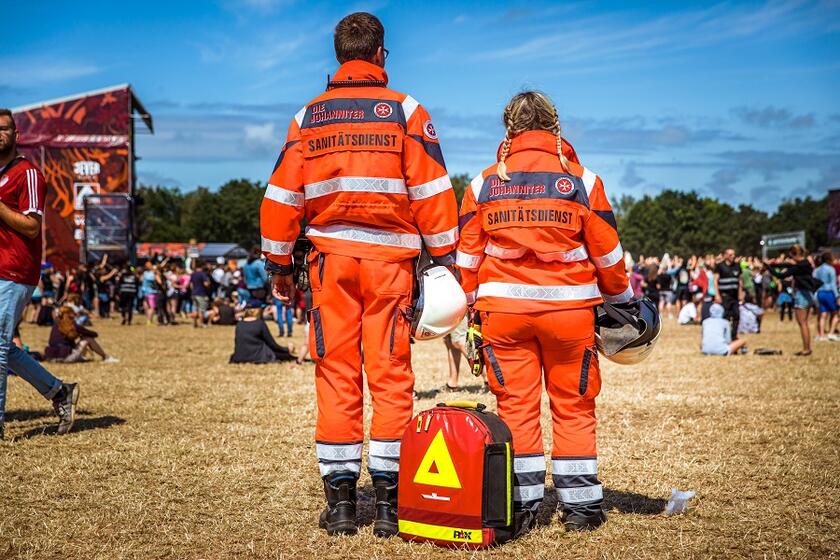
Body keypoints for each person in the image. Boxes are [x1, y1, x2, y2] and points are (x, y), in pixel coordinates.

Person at [260, 12, 458, 538]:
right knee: (392, 376)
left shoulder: (309, 117)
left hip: (330, 267)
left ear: (338, 56)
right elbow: (433, 193)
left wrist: (279, 265)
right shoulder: (406, 112)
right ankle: (391, 506)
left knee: (335, 373)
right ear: (381, 54)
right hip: (391, 265)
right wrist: (444, 261)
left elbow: (281, 197)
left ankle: (343, 503)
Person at [456, 91, 633, 533]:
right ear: (555, 127)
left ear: (509, 129)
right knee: (573, 406)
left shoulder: (482, 185)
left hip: (504, 314)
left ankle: (521, 509)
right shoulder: (583, 182)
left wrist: (470, 309)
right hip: (570, 313)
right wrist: (621, 300)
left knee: (515, 407)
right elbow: (609, 256)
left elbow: (466, 259)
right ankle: (581, 510)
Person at [0, 108, 79, 438]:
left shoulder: (28, 174)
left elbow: (32, 227)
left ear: (17, 135)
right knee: (5, 346)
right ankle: (59, 391)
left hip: (15, 270)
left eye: (3, 129)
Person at [766, 245, 815, 356]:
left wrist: (768, 268)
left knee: (802, 323)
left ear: (794, 254)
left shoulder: (800, 266)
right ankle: (806, 348)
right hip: (806, 294)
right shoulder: (804, 263)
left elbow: (781, 275)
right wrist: (771, 264)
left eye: (790, 255)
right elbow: (787, 265)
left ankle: (806, 349)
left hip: (802, 295)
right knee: (804, 323)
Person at [45, 306, 118, 363]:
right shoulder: (72, 325)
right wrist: (81, 335)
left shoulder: (56, 324)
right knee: (88, 339)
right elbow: (93, 334)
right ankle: (106, 357)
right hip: (66, 357)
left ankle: (82, 357)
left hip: (51, 357)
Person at [229, 304, 296, 364]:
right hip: (258, 356)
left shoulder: (239, 324)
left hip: (240, 357)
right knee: (285, 356)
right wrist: (286, 350)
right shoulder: (259, 324)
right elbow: (272, 344)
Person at [714, 248, 743, 339]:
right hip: (724, 296)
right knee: (726, 316)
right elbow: (715, 280)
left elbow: (740, 281)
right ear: (725, 256)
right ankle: (725, 335)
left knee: (736, 315)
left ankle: (734, 335)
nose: (733, 256)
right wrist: (717, 294)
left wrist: (741, 293)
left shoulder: (737, 266)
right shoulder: (720, 266)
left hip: (734, 296)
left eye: (734, 254)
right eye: (730, 255)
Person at [813, 251, 839, 341]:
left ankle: (821, 335)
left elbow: (814, 282)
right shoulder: (831, 269)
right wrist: (837, 296)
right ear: (828, 259)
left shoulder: (817, 270)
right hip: (829, 293)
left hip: (819, 293)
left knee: (823, 315)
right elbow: (833, 284)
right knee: (836, 314)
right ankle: (831, 333)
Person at [190, 263, 211, 328]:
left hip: (194, 293)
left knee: (195, 309)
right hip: (201, 294)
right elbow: (206, 284)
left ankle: (194, 323)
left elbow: (191, 284)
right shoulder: (202, 274)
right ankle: (201, 323)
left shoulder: (193, 274)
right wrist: (209, 283)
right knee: (201, 310)